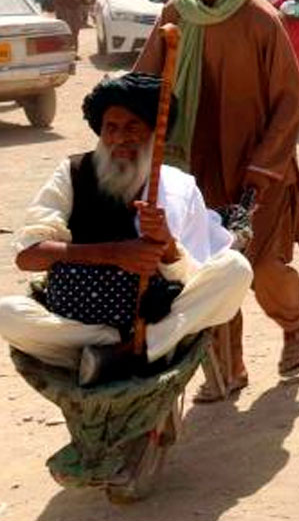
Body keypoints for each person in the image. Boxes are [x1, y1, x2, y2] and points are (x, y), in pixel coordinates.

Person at [135, 0, 299, 402]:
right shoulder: (178, 15)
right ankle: (228, 369)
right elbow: (145, 81)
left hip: (258, 171)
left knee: (265, 268)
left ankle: (294, 325)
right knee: (210, 271)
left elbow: (289, 102)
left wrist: (263, 167)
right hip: (192, 169)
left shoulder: (261, 19)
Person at [0, 74, 251, 386]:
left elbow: (193, 278)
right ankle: (116, 348)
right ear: (100, 131)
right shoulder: (73, 173)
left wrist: (168, 245)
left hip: (157, 317)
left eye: (132, 127)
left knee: (236, 270)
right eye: (111, 128)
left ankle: (136, 348)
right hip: (78, 323)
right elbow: (28, 257)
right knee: (6, 312)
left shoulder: (178, 186)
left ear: (154, 133)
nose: (120, 138)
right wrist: (114, 254)